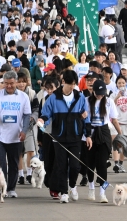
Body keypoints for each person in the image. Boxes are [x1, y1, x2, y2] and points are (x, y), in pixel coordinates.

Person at [37, 70, 89, 203]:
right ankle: (64, 192)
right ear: (63, 82)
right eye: (70, 84)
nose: (72, 86)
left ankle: (72, 186)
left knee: (75, 166)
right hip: (59, 138)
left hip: (75, 137)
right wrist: (42, 120)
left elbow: (86, 118)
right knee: (61, 165)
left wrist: (88, 135)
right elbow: (46, 114)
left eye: (74, 84)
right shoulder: (54, 97)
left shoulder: (80, 97)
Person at [0, 70, 32, 198]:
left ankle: (11, 188)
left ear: (16, 82)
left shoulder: (23, 97)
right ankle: (2, 188)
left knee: (13, 163)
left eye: (11, 83)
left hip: (16, 136)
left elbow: (27, 116)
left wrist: (24, 131)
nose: (9, 86)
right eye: (6, 83)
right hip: (0, 136)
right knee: (1, 163)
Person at [84, 79, 123, 203]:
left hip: (104, 132)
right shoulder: (86, 101)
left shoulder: (109, 101)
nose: (100, 95)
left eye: (102, 92)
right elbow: (84, 119)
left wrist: (121, 135)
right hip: (90, 132)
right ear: (93, 91)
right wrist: (86, 134)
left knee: (102, 164)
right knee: (90, 163)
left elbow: (114, 119)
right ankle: (91, 188)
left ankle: (102, 192)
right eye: (98, 92)